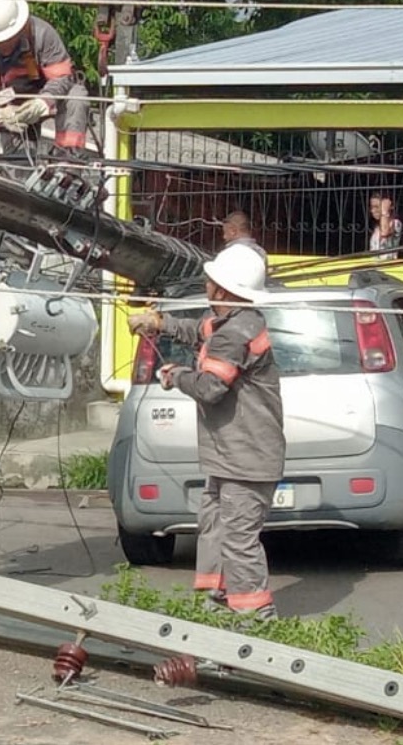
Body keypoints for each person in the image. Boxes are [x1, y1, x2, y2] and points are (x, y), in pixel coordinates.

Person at [126, 244, 284, 620]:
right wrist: (160, 323)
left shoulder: (236, 333)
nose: (205, 283)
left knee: (238, 538)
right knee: (213, 524)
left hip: (245, 457)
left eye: (211, 280)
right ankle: (218, 601)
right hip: (231, 455)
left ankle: (255, 617)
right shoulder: (237, 321)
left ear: (225, 289)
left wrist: (176, 375)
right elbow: (201, 330)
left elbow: (211, 388)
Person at [0, 0, 93, 162]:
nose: (2, 45)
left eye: (7, 39)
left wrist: (42, 102)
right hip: (10, 108)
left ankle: (68, 160)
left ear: (19, 28)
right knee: (20, 167)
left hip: (48, 96)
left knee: (76, 96)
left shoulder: (42, 34)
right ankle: (22, 172)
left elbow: (62, 77)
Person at [369, 192, 403, 261]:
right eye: (371, 207)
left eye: (377, 207)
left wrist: (384, 211)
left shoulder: (396, 223)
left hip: (387, 265)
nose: (373, 211)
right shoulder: (377, 227)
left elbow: (384, 233)